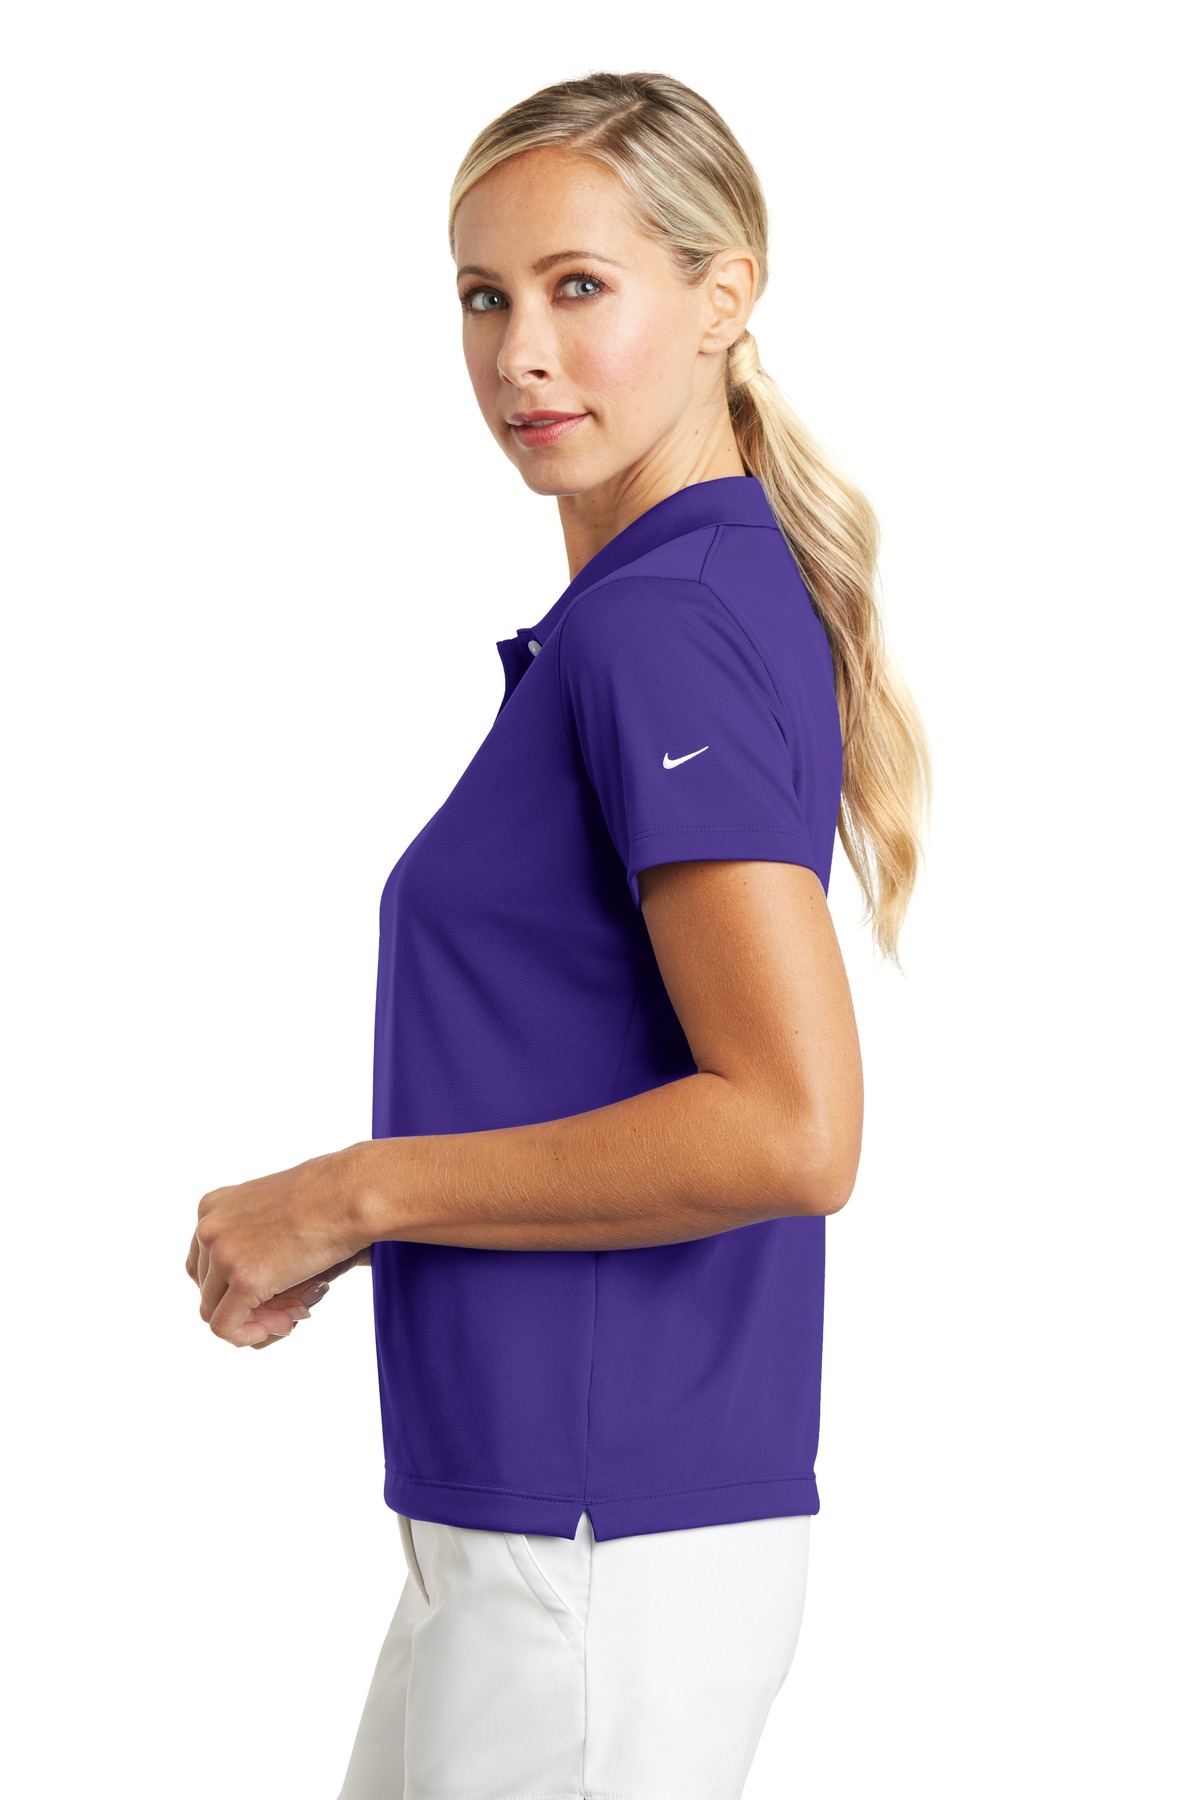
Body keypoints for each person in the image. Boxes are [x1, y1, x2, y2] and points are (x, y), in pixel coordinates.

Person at [187, 69, 931, 1800]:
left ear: (724, 296)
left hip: (600, 1542)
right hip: (543, 1522)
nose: (521, 353)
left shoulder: (661, 630)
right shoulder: (663, 607)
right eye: (483, 295)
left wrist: (351, 1195)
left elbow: (793, 1127)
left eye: (579, 287)